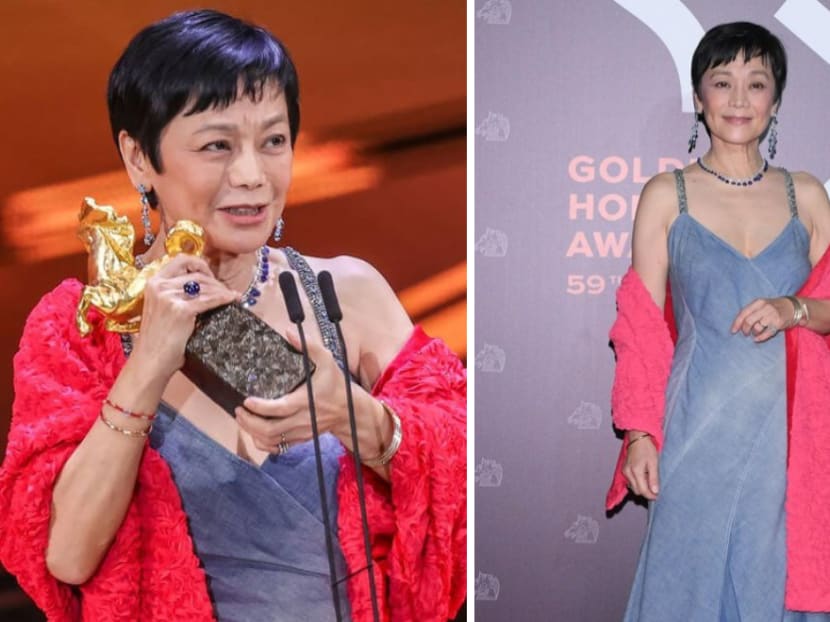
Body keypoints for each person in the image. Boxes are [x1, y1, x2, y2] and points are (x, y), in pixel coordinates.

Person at [0, 10, 466, 622]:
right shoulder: (80, 325)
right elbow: (65, 557)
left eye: (273, 140)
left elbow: (460, 485)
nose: (252, 175)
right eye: (217, 145)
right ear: (139, 157)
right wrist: (146, 367)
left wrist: (362, 420)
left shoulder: (342, 296)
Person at [606, 22, 830, 621]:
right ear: (699, 98)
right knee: (688, 582)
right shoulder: (666, 194)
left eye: (756, 84)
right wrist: (640, 434)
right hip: (697, 425)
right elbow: (641, 328)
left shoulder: (805, 195)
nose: (738, 99)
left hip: (790, 433)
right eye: (721, 82)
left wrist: (795, 309)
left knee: (774, 578)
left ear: (776, 100)